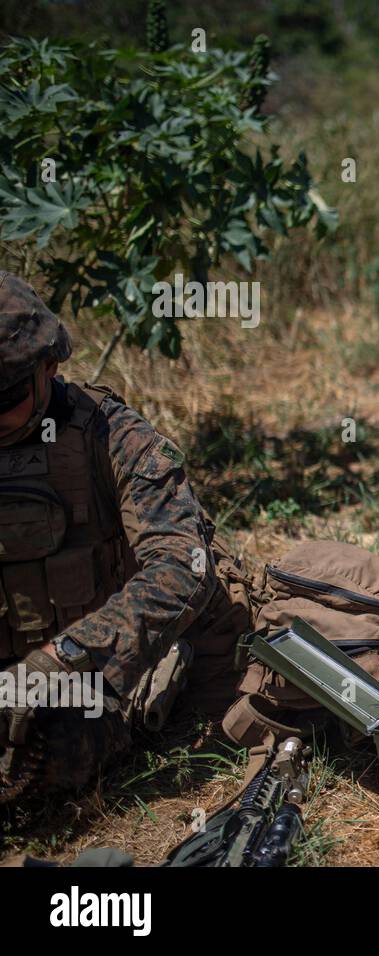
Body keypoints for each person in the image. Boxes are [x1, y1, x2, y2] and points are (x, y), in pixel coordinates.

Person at [0, 273, 250, 803]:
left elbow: (183, 568)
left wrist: (60, 658)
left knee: (47, 755)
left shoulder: (109, 436)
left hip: (84, 678)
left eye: (5, 397)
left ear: (50, 367)